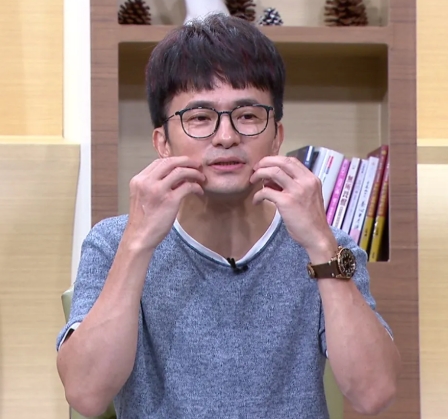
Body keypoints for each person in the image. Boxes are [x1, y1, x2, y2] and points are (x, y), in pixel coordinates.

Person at [56, 13, 400, 419]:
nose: (226, 136)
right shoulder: (113, 242)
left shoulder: (329, 248)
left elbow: (374, 394)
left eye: (248, 115)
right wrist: (138, 244)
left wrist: (321, 245)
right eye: (199, 118)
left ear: (277, 136)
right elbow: (86, 395)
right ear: (162, 142)